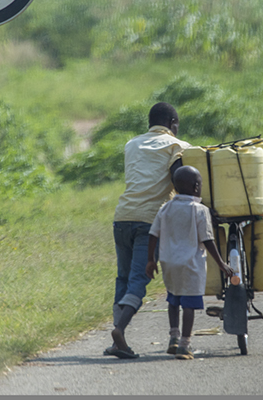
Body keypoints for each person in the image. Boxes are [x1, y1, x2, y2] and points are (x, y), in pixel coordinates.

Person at [105, 102, 191, 359]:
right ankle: (119, 331)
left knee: (122, 278)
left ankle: (118, 340)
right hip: (148, 222)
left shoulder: (131, 144)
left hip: (122, 218)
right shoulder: (177, 146)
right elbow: (179, 179)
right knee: (138, 280)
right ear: (173, 124)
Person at [146, 166, 234, 360]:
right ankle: (185, 345)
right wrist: (221, 263)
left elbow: (153, 234)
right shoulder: (200, 210)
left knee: (173, 299)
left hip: (168, 262)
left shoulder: (165, 208)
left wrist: (150, 260)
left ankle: (173, 338)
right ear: (196, 187)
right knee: (188, 303)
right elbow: (208, 240)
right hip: (190, 264)